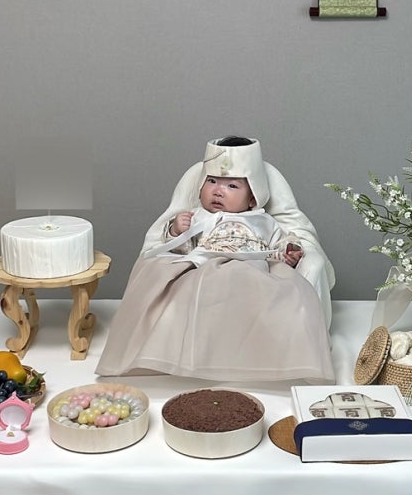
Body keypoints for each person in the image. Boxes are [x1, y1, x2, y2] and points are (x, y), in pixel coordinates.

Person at [96, 136, 335, 382]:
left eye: (232, 186)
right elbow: (183, 247)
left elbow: (278, 246)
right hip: (204, 266)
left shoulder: (263, 221)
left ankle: (255, 353)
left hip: (250, 270)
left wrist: (289, 252)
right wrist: (177, 229)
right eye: (211, 181)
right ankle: (172, 351)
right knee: (170, 279)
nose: (218, 191)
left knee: (283, 293)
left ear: (253, 198)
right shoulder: (198, 215)